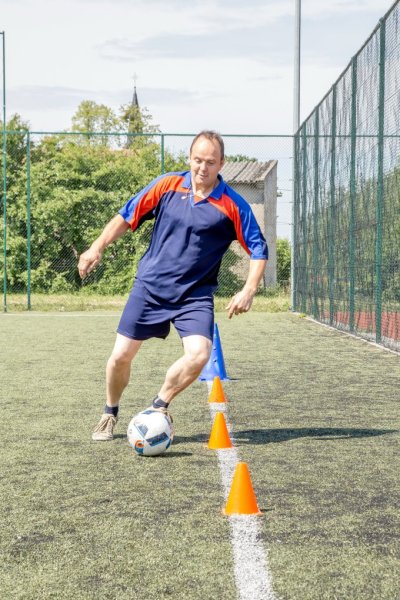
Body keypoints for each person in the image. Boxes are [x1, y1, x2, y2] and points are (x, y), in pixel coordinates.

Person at [78, 130, 268, 441]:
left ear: (222, 163)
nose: (202, 167)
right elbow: (127, 215)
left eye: (210, 162)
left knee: (200, 354)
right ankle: (109, 413)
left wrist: (249, 289)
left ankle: (158, 406)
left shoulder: (233, 204)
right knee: (120, 356)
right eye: (197, 160)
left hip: (194, 295)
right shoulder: (167, 185)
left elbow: (258, 248)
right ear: (189, 158)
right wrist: (96, 247)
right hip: (150, 287)